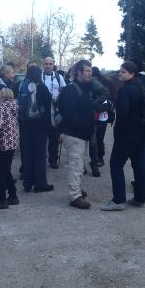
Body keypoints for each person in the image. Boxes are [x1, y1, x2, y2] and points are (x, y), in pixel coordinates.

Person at [101, 61, 145, 211]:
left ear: (132, 74)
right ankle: (139, 198)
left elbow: (122, 114)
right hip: (141, 132)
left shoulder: (125, 90)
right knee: (138, 165)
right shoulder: (139, 87)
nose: (119, 74)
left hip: (127, 134)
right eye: (120, 71)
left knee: (116, 165)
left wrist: (117, 130)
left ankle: (118, 200)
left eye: (123, 72)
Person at [60, 60, 95, 209]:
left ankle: (77, 189)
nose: (90, 73)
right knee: (76, 165)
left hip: (81, 134)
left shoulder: (84, 88)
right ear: (78, 73)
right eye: (87, 71)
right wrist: (82, 127)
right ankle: (75, 196)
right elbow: (69, 113)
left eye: (90, 71)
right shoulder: (71, 89)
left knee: (80, 164)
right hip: (75, 134)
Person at [18, 65, 54, 193]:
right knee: (39, 154)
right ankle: (40, 183)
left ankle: (27, 182)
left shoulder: (22, 85)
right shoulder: (41, 87)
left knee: (27, 153)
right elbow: (49, 103)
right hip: (39, 125)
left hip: (24, 124)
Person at [0, 87, 20, 210]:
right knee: (6, 170)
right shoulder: (14, 106)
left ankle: (2, 199)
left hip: (3, 143)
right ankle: (13, 195)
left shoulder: (0, 108)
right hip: (12, 141)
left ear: (2, 96)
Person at [41, 57, 66, 169]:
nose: (48, 66)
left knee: (54, 138)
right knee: (41, 138)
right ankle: (40, 159)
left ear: (53, 65)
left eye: (50, 64)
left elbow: (64, 91)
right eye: (46, 63)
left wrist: (59, 102)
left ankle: (53, 160)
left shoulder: (58, 77)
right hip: (41, 112)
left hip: (54, 111)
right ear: (43, 64)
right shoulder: (39, 76)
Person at [88, 67, 112, 177]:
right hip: (99, 115)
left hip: (100, 114)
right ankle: (97, 160)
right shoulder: (104, 81)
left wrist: (94, 103)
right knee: (97, 139)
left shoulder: (95, 83)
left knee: (95, 140)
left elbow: (107, 95)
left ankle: (97, 160)